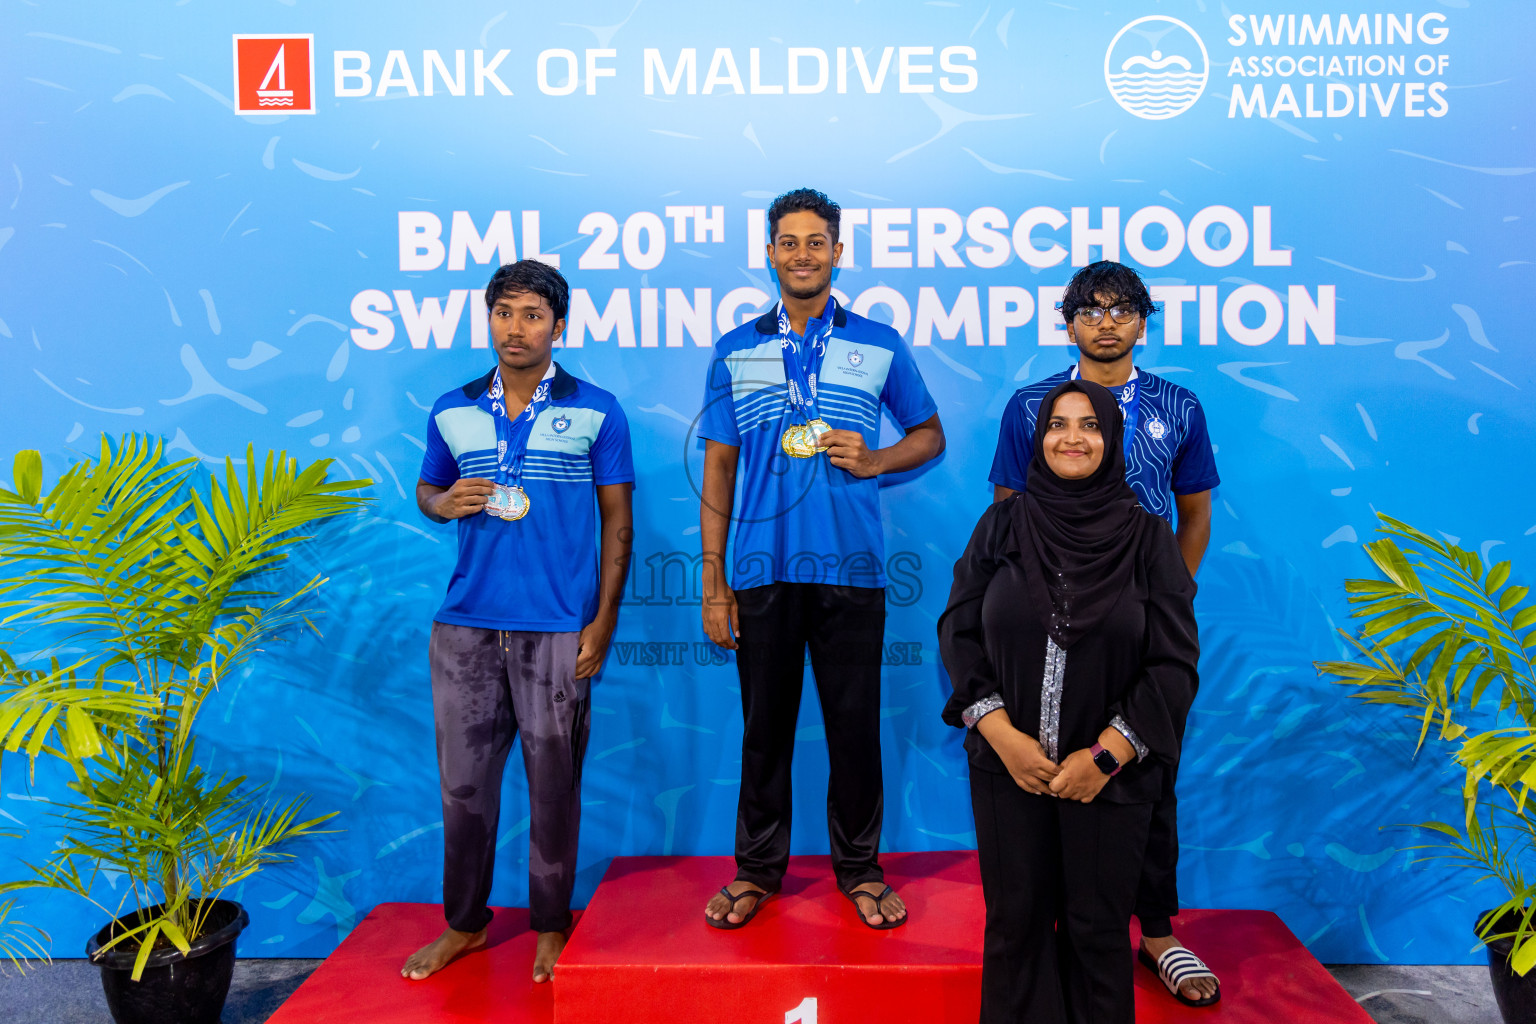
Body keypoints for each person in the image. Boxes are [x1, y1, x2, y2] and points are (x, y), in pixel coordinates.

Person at [697, 187, 945, 930]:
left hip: (852, 571)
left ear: (838, 252)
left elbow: (929, 436)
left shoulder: (878, 342)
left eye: (816, 241)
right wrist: (713, 579)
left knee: (853, 726)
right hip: (759, 570)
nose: (802, 253)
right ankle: (756, 871)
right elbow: (717, 468)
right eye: (788, 241)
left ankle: (861, 870)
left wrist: (877, 460)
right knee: (763, 729)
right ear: (769, 253)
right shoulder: (735, 349)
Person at [990, 261, 1221, 1006]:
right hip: (1047, 635)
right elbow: (1008, 523)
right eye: (1090, 310)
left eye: (1122, 309)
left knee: (1143, 773)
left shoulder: (1178, 407)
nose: (1107, 322)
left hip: (1138, 625)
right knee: (1044, 792)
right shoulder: (1032, 407)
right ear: (1068, 322)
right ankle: (1063, 932)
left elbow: (1193, 516)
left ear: (1143, 321)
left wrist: (1160, 609)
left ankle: (1157, 934)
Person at [402, 260, 634, 983]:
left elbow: (618, 524)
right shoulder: (453, 407)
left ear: (558, 326)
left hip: (557, 629)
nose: (516, 327)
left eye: (533, 314)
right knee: (463, 789)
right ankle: (465, 925)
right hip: (465, 627)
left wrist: (600, 623)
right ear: (490, 319)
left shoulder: (598, 409)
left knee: (552, 786)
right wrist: (444, 505)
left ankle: (550, 925)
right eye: (504, 312)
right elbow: (427, 490)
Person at [940, 379, 1199, 1024]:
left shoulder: (1147, 538)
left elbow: (1173, 664)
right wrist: (1001, 735)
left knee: (1096, 929)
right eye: (1058, 424)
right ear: (1040, 438)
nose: (1073, 438)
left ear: (1112, 441)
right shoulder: (1002, 524)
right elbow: (958, 630)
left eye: (1090, 425)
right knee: (1015, 925)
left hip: (1110, 777)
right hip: (1007, 769)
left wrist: (1105, 758)